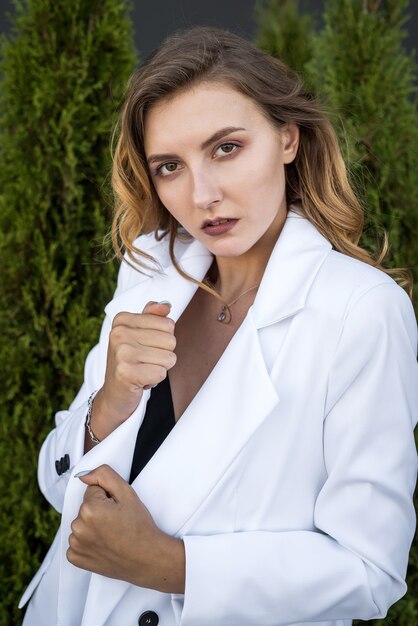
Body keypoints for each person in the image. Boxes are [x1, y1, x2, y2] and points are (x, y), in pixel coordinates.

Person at [20, 25, 417, 626]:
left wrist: (168, 565)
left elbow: (370, 570)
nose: (201, 194)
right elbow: (63, 492)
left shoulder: (360, 310)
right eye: (170, 166)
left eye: (226, 147)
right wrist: (110, 402)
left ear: (287, 138)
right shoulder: (151, 271)